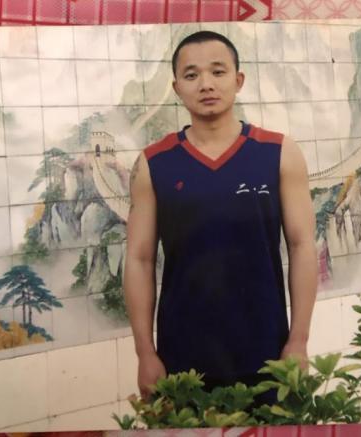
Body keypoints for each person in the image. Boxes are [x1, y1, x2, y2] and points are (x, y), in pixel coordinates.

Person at [124, 30, 317, 402]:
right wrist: (145, 353)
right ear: (177, 87)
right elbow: (139, 258)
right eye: (192, 75)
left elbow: (302, 245)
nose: (206, 84)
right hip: (182, 360)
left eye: (218, 71)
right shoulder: (153, 164)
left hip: (269, 354)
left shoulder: (279, 152)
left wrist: (299, 340)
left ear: (238, 80)